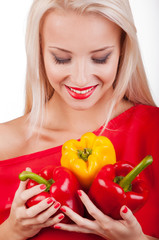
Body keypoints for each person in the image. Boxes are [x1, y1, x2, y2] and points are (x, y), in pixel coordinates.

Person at [0, 0, 159, 239]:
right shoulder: (4, 144)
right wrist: (10, 231)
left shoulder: (153, 131)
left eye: (101, 58)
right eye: (62, 59)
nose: (81, 79)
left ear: (123, 48)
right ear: (39, 50)